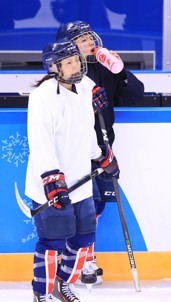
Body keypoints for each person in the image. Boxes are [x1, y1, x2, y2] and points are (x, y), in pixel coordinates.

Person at [26, 39, 119, 302]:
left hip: (81, 182)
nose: (75, 65)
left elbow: (87, 130)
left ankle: (62, 284)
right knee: (53, 243)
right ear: (53, 67)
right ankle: (41, 293)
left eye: (76, 59)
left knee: (84, 239)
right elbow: (39, 140)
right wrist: (50, 177)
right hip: (51, 184)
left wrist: (101, 157)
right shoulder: (41, 97)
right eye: (68, 62)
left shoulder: (86, 86)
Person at [56, 20, 145, 285]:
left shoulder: (102, 67)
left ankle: (85, 257)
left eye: (89, 37)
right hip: (73, 152)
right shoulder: (59, 76)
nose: (90, 43)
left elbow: (135, 96)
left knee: (96, 206)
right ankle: (79, 260)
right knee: (81, 206)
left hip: (102, 150)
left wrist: (120, 72)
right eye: (82, 40)